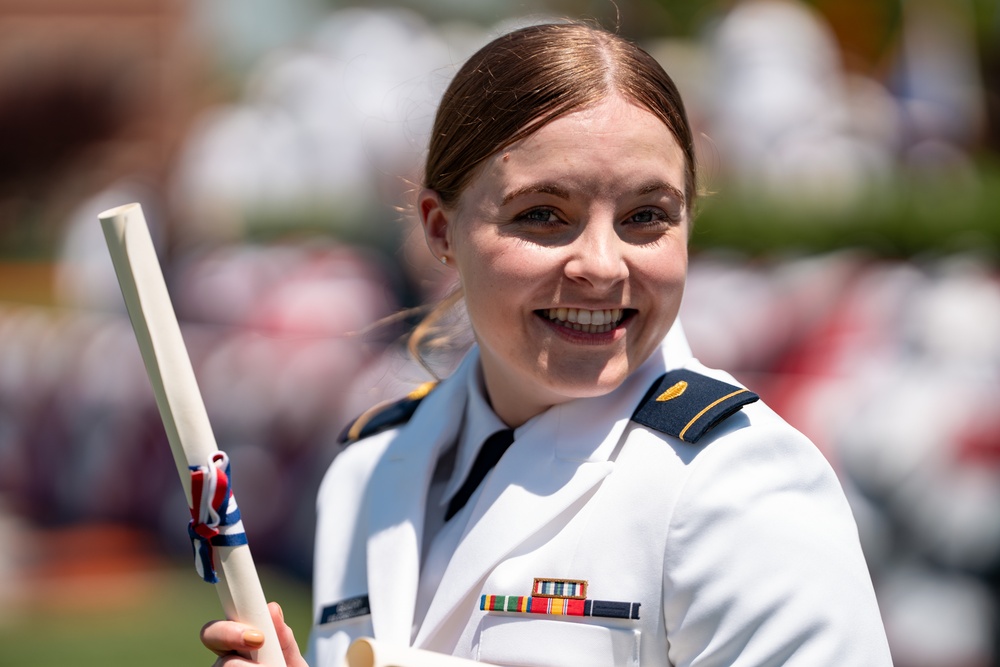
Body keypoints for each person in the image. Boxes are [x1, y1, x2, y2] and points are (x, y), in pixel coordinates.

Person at [201, 21, 893, 666]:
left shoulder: (738, 486)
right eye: (543, 214)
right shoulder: (366, 473)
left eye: (647, 215)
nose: (601, 263)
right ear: (441, 231)